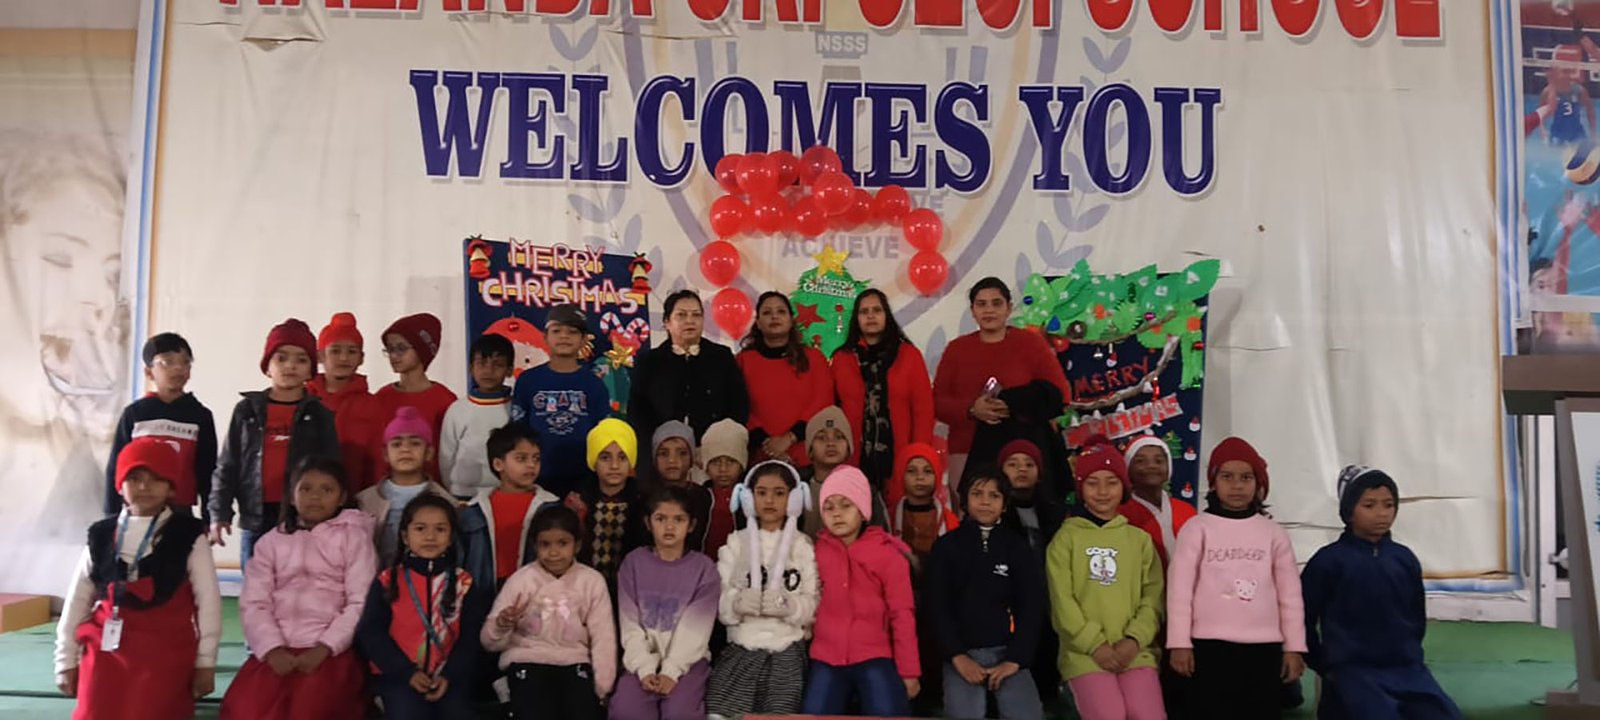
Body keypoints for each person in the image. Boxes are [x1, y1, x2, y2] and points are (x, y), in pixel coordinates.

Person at [56, 437, 221, 719]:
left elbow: (208, 602)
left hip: (165, 652)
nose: (145, 487)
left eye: (156, 479)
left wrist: (205, 662)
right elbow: (77, 600)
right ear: (120, 485)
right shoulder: (100, 535)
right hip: (105, 650)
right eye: (135, 478)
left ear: (171, 487)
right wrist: (65, 660)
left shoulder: (190, 535)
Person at [221, 457, 378, 720]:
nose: (315, 497)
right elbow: (254, 602)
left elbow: (359, 601)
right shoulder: (271, 542)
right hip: (276, 653)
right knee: (245, 710)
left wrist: (325, 647)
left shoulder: (354, 538)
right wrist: (272, 649)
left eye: (326, 490)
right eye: (305, 489)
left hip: (327, 654)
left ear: (342, 498)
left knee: (312, 710)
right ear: (292, 496)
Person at [1302, 466, 1464, 720]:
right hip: (1353, 670)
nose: (1381, 513)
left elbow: (1415, 616)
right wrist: (1325, 665)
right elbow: (1303, 617)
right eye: (1369, 505)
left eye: (1388, 505)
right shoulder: (1328, 561)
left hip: (1407, 669)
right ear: (1349, 511)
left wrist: (1409, 653)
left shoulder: (1404, 559)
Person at [1167, 437, 1305, 720]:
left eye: (1246, 477)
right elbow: (1179, 592)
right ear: (1213, 482)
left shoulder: (1273, 533)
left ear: (1258, 483)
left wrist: (1293, 647)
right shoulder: (1196, 529)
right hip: (1208, 647)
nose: (1237, 485)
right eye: (1227, 477)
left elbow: (1290, 596)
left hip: (1263, 650)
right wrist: (1179, 642)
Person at [208, 319, 340, 578]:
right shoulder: (246, 411)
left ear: (311, 370)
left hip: (302, 517)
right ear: (267, 367)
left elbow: (332, 470)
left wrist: (331, 514)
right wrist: (218, 512)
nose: (290, 365)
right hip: (256, 516)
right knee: (257, 588)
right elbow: (228, 465)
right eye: (281, 358)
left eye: (301, 360)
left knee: (299, 587)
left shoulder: (320, 414)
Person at [1046, 444, 1165, 720]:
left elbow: (1153, 597)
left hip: (1135, 652)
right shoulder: (1065, 539)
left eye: (1111, 482)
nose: (1102, 491)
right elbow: (1062, 602)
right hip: (1085, 655)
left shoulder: (1139, 540)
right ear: (1081, 488)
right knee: (1110, 713)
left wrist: (1134, 639)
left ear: (1123, 487)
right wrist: (1094, 644)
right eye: (1092, 483)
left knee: (1146, 713)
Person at [356, 494, 489, 719]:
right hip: (398, 676)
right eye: (420, 528)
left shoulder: (463, 583)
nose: (430, 536)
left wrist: (450, 674)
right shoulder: (388, 580)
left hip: (449, 676)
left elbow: (471, 636)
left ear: (451, 538)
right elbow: (371, 632)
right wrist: (406, 672)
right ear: (405, 536)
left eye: (440, 529)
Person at [801, 466, 921, 715]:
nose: (837, 514)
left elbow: (902, 615)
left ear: (863, 510)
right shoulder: (815, 553)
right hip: (826, 657)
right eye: (829, 507)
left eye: (846, 505)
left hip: (874, 655)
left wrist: (909, 672)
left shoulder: (888, 555)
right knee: (814, 713)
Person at [933, 277, 1070, 495]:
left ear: (1009, 308)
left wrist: (1013, 404)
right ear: (973, 311)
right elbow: (937, 403)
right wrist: (972, 410)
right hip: (966, 449)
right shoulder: (956, 349)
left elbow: (1061, 393)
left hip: (1021, 452)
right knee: (972, 510)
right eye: (981, 304)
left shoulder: (1030, 343)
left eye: (996, 303)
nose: (989, 310)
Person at [930, 464, 1046, 720]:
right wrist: (957, 656)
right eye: (977, 494)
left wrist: (1015, 660)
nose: (985, 502)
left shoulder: (1017, 548)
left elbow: (1031, 607)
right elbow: (937, 607)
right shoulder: (947, 547)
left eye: (994, 496)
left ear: (1004, 504)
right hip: (961, 655)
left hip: (1007, 653)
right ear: (965, 500)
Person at [706, 460, 819, 717]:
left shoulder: (802, 546)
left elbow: (813, 601)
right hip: (742, 645)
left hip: (786, 647)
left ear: (794, 499)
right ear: (748, 498)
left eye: (779, 493)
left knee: (779, 712)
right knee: (721, 711)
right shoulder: (736, 543)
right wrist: (736, 603)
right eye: (761, 493)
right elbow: (718, 597)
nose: (769, 500)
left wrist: (791, 607)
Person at [482, 505, 617, 720]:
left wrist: (603, 687)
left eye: (562, 543)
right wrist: (502, 624)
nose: (553, 553)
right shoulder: (521, 580)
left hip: (573, 663)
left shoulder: (592, 581)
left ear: (577, 545)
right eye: (545, 544)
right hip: (527, 661)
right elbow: (489, 642)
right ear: (535, 546)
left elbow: (603, 636)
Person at [613, 485, 721, 720]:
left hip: (687, 662)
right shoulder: (633, 564)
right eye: (661, 519)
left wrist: (671, 670)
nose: (669, 527)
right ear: (648, 523)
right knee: (626, 711)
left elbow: (696, 630)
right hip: (641, 660)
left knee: (680, 713)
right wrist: (644, 668)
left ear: (691, 525)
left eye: (678, 519)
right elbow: (630, 625)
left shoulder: (705, 569)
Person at [832, 288, 935, 501]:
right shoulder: (842, 358)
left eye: (877, 310)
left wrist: (918, 457)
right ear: (856, 319)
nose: (871, 316)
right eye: (864, 311)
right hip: (851, 457)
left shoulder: (909, 355)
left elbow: (923, 411)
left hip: (899, 457)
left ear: (886, 316)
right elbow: (833, 408)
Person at [103, 332, 217, 521]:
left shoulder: (200, 416)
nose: (178, 368)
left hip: (180, 509)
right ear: (149, 372)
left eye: (185, 362)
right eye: (167, 362)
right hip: (138, 507)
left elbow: (207, 470)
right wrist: (111, 515)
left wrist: (210, 518)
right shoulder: (135, 414)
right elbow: (116, 465)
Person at [629, 289, 749, 467]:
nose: (690, 321)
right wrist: (660, 449)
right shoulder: (649, 361)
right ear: (667, 322)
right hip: (664, 458)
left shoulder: (721, 357)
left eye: (696, 315)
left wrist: (717, 445)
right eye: (681, 315)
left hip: (713, 457)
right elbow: (638, 412)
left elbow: (738, 405)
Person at [512, 304, 610, 498]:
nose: (564, 336)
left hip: (584, 479)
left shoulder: (594, 384)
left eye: (572, 332)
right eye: (557, 331)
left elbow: (603, 436)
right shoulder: (528, 381)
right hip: (536, 477)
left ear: (584, 340)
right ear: (545, 337)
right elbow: (517, 432)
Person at [736, 291, 833, 467]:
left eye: (781, 311)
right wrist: (767, 444)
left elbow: (822, 402)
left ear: (791, 320)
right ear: (758, 323)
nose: (774, 316)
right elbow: (739, 406)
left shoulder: (814, 358)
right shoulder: (743, 361)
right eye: (767, 312)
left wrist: (789, 438)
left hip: (808, 457)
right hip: (758, 457)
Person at [461, 423, 562, 590]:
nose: (531, 465)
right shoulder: (475, 509)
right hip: (484, 592)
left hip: (535, 591)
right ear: (498, 464)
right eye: (521, 458)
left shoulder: (551, 507)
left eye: (536, 458)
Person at [356, 407, 454, 565]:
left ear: (429, 452)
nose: (405, 449)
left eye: (415, 443)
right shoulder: (364, 501)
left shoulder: (445, 500)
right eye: (396, 444)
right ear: (385, 454)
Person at [372, 312, 458, 487]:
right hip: (387, 488)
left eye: (401, 348)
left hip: (430, 488)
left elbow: (449, 453)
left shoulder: (444, 400)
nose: (394, 355)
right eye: (390, 349)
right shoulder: (381, 397)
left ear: (422, 350)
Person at [307, 312, 384, 494]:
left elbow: (378, 460)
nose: (343, 358)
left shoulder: (371, 405)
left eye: (352, 351)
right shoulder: (304, 400)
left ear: (361, 358)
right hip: (305, 497)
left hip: (355, 497)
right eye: (335, 351)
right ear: (320, 356)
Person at [571, 418, 650, 592]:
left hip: (630, 590)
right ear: (594, 461)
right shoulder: (578, 502)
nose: (614, 465)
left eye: (622, 457)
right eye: (605, 457)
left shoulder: (644, 503)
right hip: (585, 590)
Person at [442, 333, 516, 499]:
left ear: (509, 370)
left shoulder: (516, 408)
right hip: (464, 495)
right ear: (471, 368)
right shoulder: (457, 409)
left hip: (506, 493)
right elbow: (446, 457)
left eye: (497, 364)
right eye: (481, 363)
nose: (488, 371)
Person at [1119, 436, 1196, 569]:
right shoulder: (1121, 515)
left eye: (1159, 461)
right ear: (1128, 468)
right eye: (1140, 461)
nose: (1151, 466)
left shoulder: (1187, 511)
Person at [650, 420, 714, 553]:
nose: (672, 460)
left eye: (682, 453)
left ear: (692, 459)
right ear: (654, 459)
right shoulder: (645, 498)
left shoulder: (704, 497)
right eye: (664, 453)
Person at [891, 442, 960, 560]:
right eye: (911, 471)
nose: (920, 477)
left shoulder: (950, 521)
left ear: (937, 475)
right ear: (901, 474)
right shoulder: (889, 517)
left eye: (927, 471)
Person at [799, 406, 861, 538]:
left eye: (839, 437)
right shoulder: (796, 487)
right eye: (822, 437)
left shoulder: (863, 489)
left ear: (848, 448)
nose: (831, 443)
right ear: (810, 449)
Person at [1000, 439, 1067, 554]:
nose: (1022, 469)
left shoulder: (1056, 514)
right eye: (1012, 464)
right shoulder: (993, 514)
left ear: (1039, 474)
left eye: (1029, 464)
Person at [699, 418, 748, 559]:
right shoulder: (698, 497)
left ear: (741, 465)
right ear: (706, 466)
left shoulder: (750, 499)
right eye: (715, 462)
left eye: (731, 461)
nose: (723, 469)